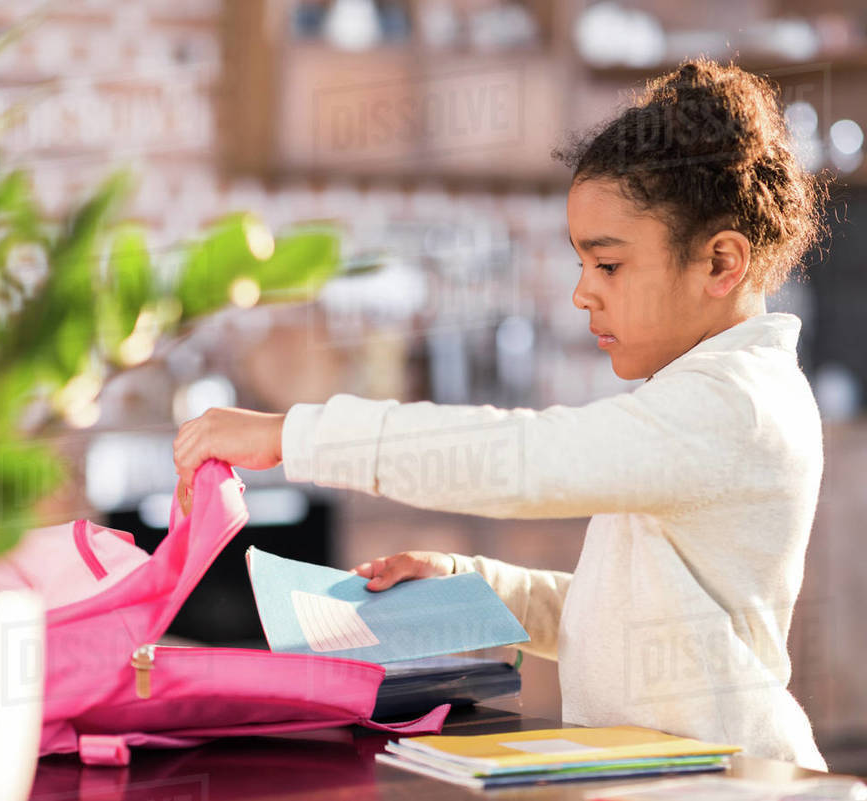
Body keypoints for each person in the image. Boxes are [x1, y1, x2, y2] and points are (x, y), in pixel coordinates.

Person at [173, 59, 830, 770]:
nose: (583, 293)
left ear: (720, 263)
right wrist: (475, 584)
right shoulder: (704, 395)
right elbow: (629, 616)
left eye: (607, 265)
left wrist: (290, 433)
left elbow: (519, 457)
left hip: (732, 781)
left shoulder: (736, 405)